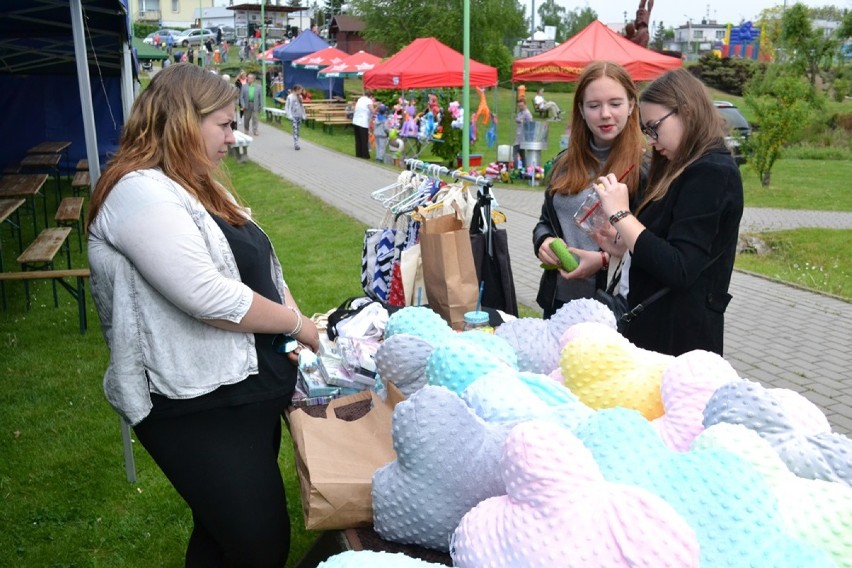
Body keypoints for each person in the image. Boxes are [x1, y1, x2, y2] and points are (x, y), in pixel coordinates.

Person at [86, 63, 320, 566]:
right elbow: (208, 296)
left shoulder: (198, 184)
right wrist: (299, 326)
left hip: (243, 394)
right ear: (182, 121)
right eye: (225, 124)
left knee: (223, 537)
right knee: (259, 545)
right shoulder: (137, 191)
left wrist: (294, 329)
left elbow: (263, 269)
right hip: (193, 404)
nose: (233, 138)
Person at [593, 67, 743, 356]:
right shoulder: (683, 167)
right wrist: (623, 244)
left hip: (678, 341)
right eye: (646, 130)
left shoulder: (711, 173)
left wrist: (622, 215)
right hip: (659, 332)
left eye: (654, 127)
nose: (651, 139)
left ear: (685, 111)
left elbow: (680, 268)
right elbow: (667, 243)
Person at [532, 61, 646, 319]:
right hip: (559, 300)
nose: (605, 114)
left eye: (615, 104)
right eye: (594, 106)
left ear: (631, 106)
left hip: (612, 308)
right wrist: (544, 241)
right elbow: (545, 222)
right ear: (581, 110)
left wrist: (604, 260)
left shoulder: (645, 169)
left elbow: (653, 248)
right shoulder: (564, 163)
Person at [352, 89, 374, 159]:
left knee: (358, 139)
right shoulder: (368, 101)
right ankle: (365, 155)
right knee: (364, 139)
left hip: (355, 120)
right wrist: (377, 108)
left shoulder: (360, 99)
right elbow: (372, 110)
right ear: (370, 96)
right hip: (362, 122)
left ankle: (359, 153)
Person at [284, 84, 307, 150]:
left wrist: (303, 114)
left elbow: (301, 106)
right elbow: (287, 107)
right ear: (296, 90)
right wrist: (289, 115)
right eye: (300, 90)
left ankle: (296, 141)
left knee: (298, 130)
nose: (301, 91)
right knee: (295, 129)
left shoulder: (300, 97)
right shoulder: (290, 97)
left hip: (299, 116)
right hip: (293, 116)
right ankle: (296, 144)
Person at [513, 99, 533, 167]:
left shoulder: (527, 113)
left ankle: (515, 168)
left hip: (522, 136)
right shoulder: (520, 113)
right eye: (519, 106)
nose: (520, 107)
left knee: (514, 152)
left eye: (521, 106)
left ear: (525, 105)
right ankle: (524, 168)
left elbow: (530, 124)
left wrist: (522, 122)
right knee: (522, 154)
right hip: (518, 135)